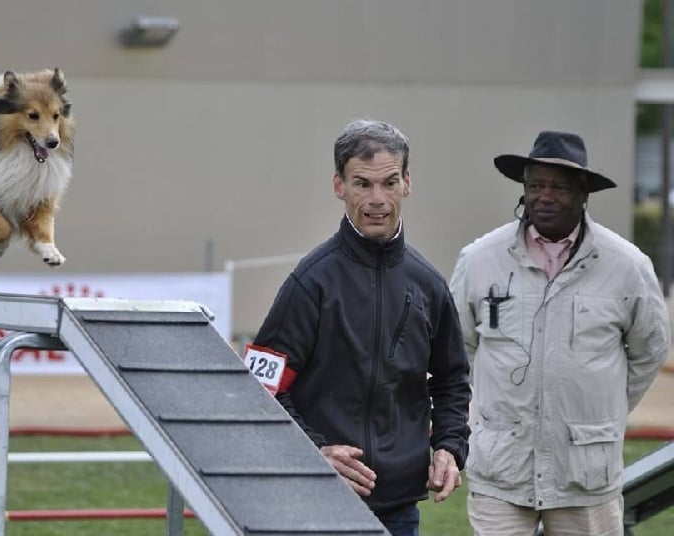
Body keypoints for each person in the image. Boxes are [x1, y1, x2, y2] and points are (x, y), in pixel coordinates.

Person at [251, 119, 471, 535]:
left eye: (389, 183)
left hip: (400, 507)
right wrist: (316, 452)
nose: (377, 200)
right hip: (317, 501)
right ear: (339, 186)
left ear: (407, 183)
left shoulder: (429, 284)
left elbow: (452, 380)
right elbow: (262, 386)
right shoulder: (310, 282)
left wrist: (449, 446)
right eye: (362, 184)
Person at [449, 130, 671, 536]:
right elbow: (457, 349)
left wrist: (605, 410)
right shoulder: (479, 260)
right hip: (501, 469)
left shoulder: (627, 266)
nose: (544, 196)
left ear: (584, 193)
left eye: (558, 187)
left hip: (586, 475)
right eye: (535, 185)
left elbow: (650, 349)